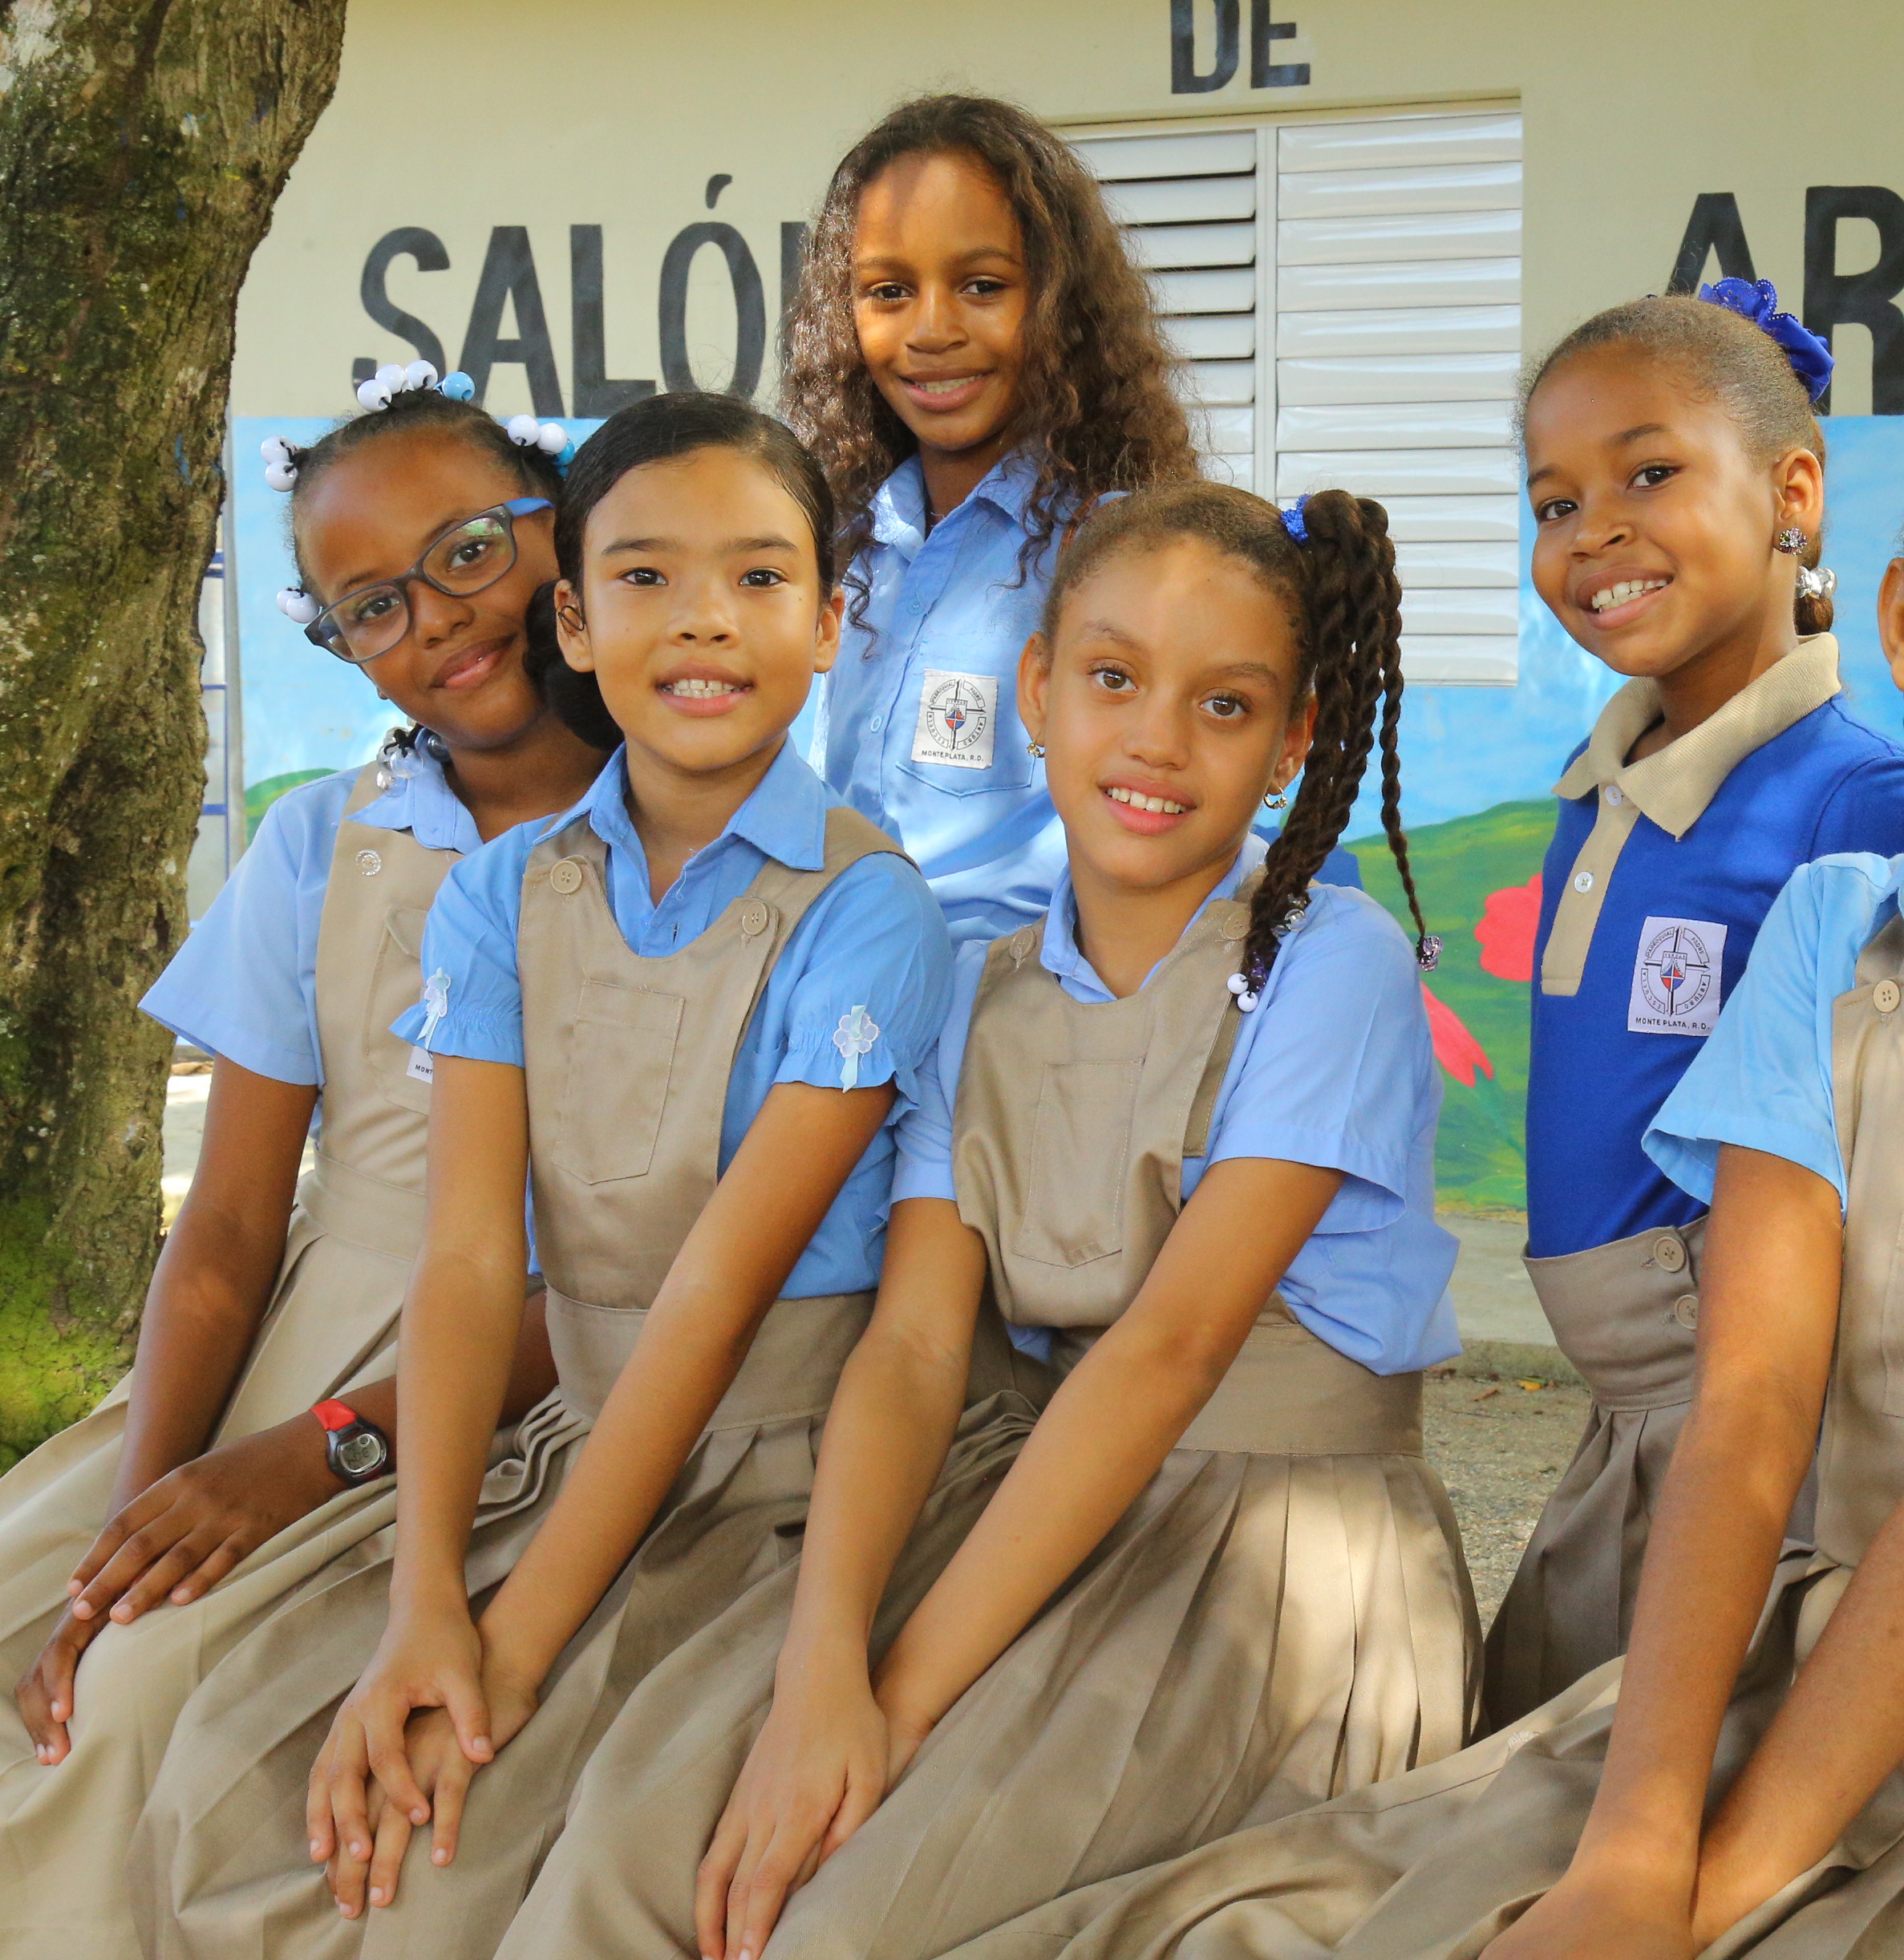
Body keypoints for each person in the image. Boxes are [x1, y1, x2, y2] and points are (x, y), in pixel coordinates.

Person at [985, 299, 1904, 1960]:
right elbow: (1754, 1403)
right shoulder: (1831, 920)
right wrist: (1634, 1849)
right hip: (1757, 1644)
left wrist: (1713, 1896)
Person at [496, 480, 1473, 1960]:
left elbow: (1166, 1356)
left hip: (1264, 1560)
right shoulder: (983, 984)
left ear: (1295, 742)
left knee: (847, 1914)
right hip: (1040, 1499)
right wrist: (827, 1668)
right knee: (653, 1836)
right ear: (1034, 690)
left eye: (1225, 706)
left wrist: (893, 1708)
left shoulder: (1329, 962)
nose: (1154, 740)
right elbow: (908, 1352)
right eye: (1111, 679)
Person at [136, 392, 958, 1960]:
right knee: (240, 1786)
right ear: (572, 618)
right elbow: (463, 1265)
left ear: (833, 619)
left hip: (766, 1481)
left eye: (762, 577)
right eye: (645, 577)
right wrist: (426, 1596)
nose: (705, 619)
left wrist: (506, 1645)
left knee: (506, 1872)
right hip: (557, 1441)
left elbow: (712, 1299)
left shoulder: (870, 912)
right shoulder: (499, 893)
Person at [0, 367, 610, 1959]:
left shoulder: (694, 838)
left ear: (561, 526)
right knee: (55, 1631)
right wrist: (129, 1532)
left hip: (549, 1380)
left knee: (158, 1722)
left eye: (472, 547)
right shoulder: (322, 847)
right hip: (300, 1344)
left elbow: (651, 1272)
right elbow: (225, 1230)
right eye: (372, 604)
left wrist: (320, 1452)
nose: (440, 616)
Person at [1484, 280, 1904, 1724]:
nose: (1595, 531)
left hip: (1748, 1434)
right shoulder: (1599, 785)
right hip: (1622, 1428)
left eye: (1651, 473)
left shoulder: (1862, 802)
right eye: (1556, 502)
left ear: (1792, 491)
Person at [788, 91, 1199, 941]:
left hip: (1015, 1025)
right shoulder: (838, 539)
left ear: (1060, 305)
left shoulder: (1117, 554)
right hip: (837, 997)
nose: (931, 330)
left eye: (982, 286)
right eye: (889, 291)